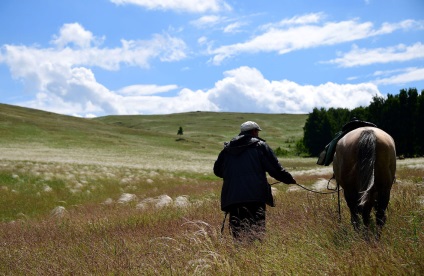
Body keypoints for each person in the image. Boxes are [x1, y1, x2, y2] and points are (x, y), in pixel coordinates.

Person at [213, 121, 297, 242]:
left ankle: (240, 257)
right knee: (257, 231)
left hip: (233, 198)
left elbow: (217, 171)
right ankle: (254, 257)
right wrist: (289, 179)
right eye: (257, 132)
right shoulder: (260, 146)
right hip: (255, 196)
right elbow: (274, 169)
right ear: (253, 132)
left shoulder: (227, 149)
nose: (257, 134)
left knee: (238, 235)